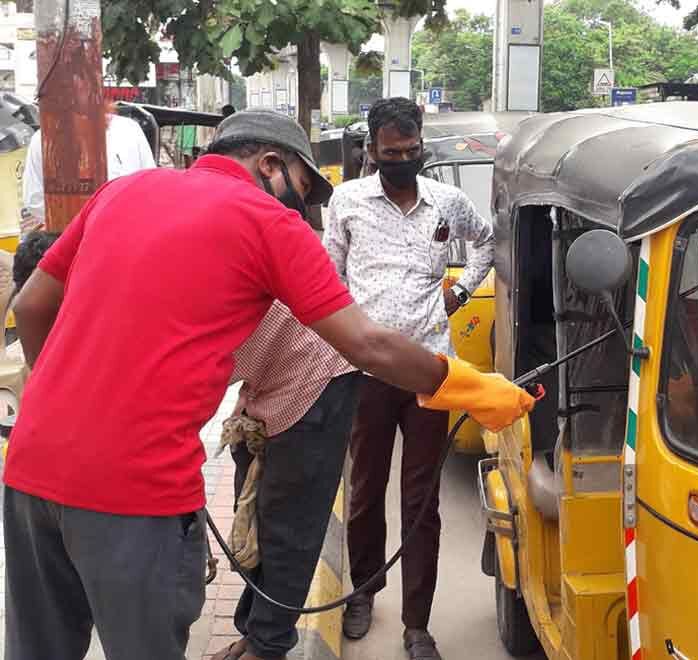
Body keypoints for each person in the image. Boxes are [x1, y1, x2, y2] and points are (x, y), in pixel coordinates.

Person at [3, 108, 534, 660]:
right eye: (301, 189)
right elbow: (368, 345)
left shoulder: (121, 192)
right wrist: (473, 388)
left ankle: (265, 636)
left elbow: (34, 304)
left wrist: (60, 405)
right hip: (136, 488)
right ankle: (267, 637)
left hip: (29, 471)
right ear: (271, 164)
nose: (300, 207)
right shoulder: (268, 221)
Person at [326, 97, 495, 660]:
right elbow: (329, 275)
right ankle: (363, 591)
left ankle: (418, 623)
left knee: (422, 501)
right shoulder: (347, 200)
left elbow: (485, 243)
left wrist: (461, 291)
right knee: (367, 489)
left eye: (411, 150)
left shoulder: (447, 201)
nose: (402, 159)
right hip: (366, 369)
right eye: (390, 152)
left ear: (421, 146)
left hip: (430, 371)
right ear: (371, 150)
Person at [208, 297, 360, 660]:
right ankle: (256, 632)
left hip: (314, 373)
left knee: (288, 529)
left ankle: (267, 646)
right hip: (267, 375)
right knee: (255, 518)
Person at [20, 101, 156, 237]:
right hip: (72, 238)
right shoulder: (42, 139)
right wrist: (75, 226)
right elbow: (33, 197)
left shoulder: (128, 130)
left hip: (126, 234)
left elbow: (150, 185)